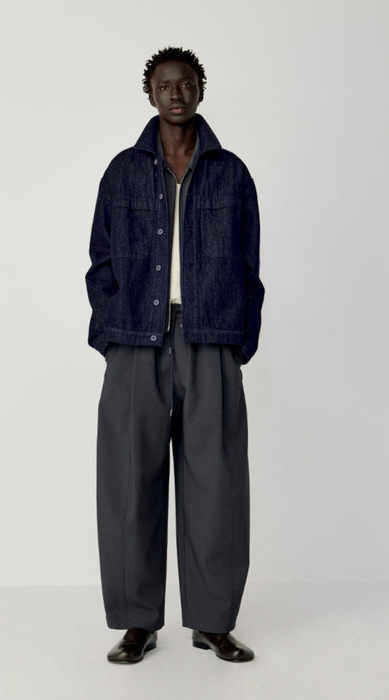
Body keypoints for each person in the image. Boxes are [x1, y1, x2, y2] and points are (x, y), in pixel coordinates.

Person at [85, 46, 264, 664]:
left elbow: (249, 265)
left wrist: (240, 341)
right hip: (135, 341)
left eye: (185, 84)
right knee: (129, 483)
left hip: (210, 337)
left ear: (200, 89)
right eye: (164, 86)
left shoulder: (232, 173)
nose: (176, 94)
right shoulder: (122, 172)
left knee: (217, 481)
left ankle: (213, 622)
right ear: (150, 93)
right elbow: (100, 260)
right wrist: (112, 334)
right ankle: (137, 622)